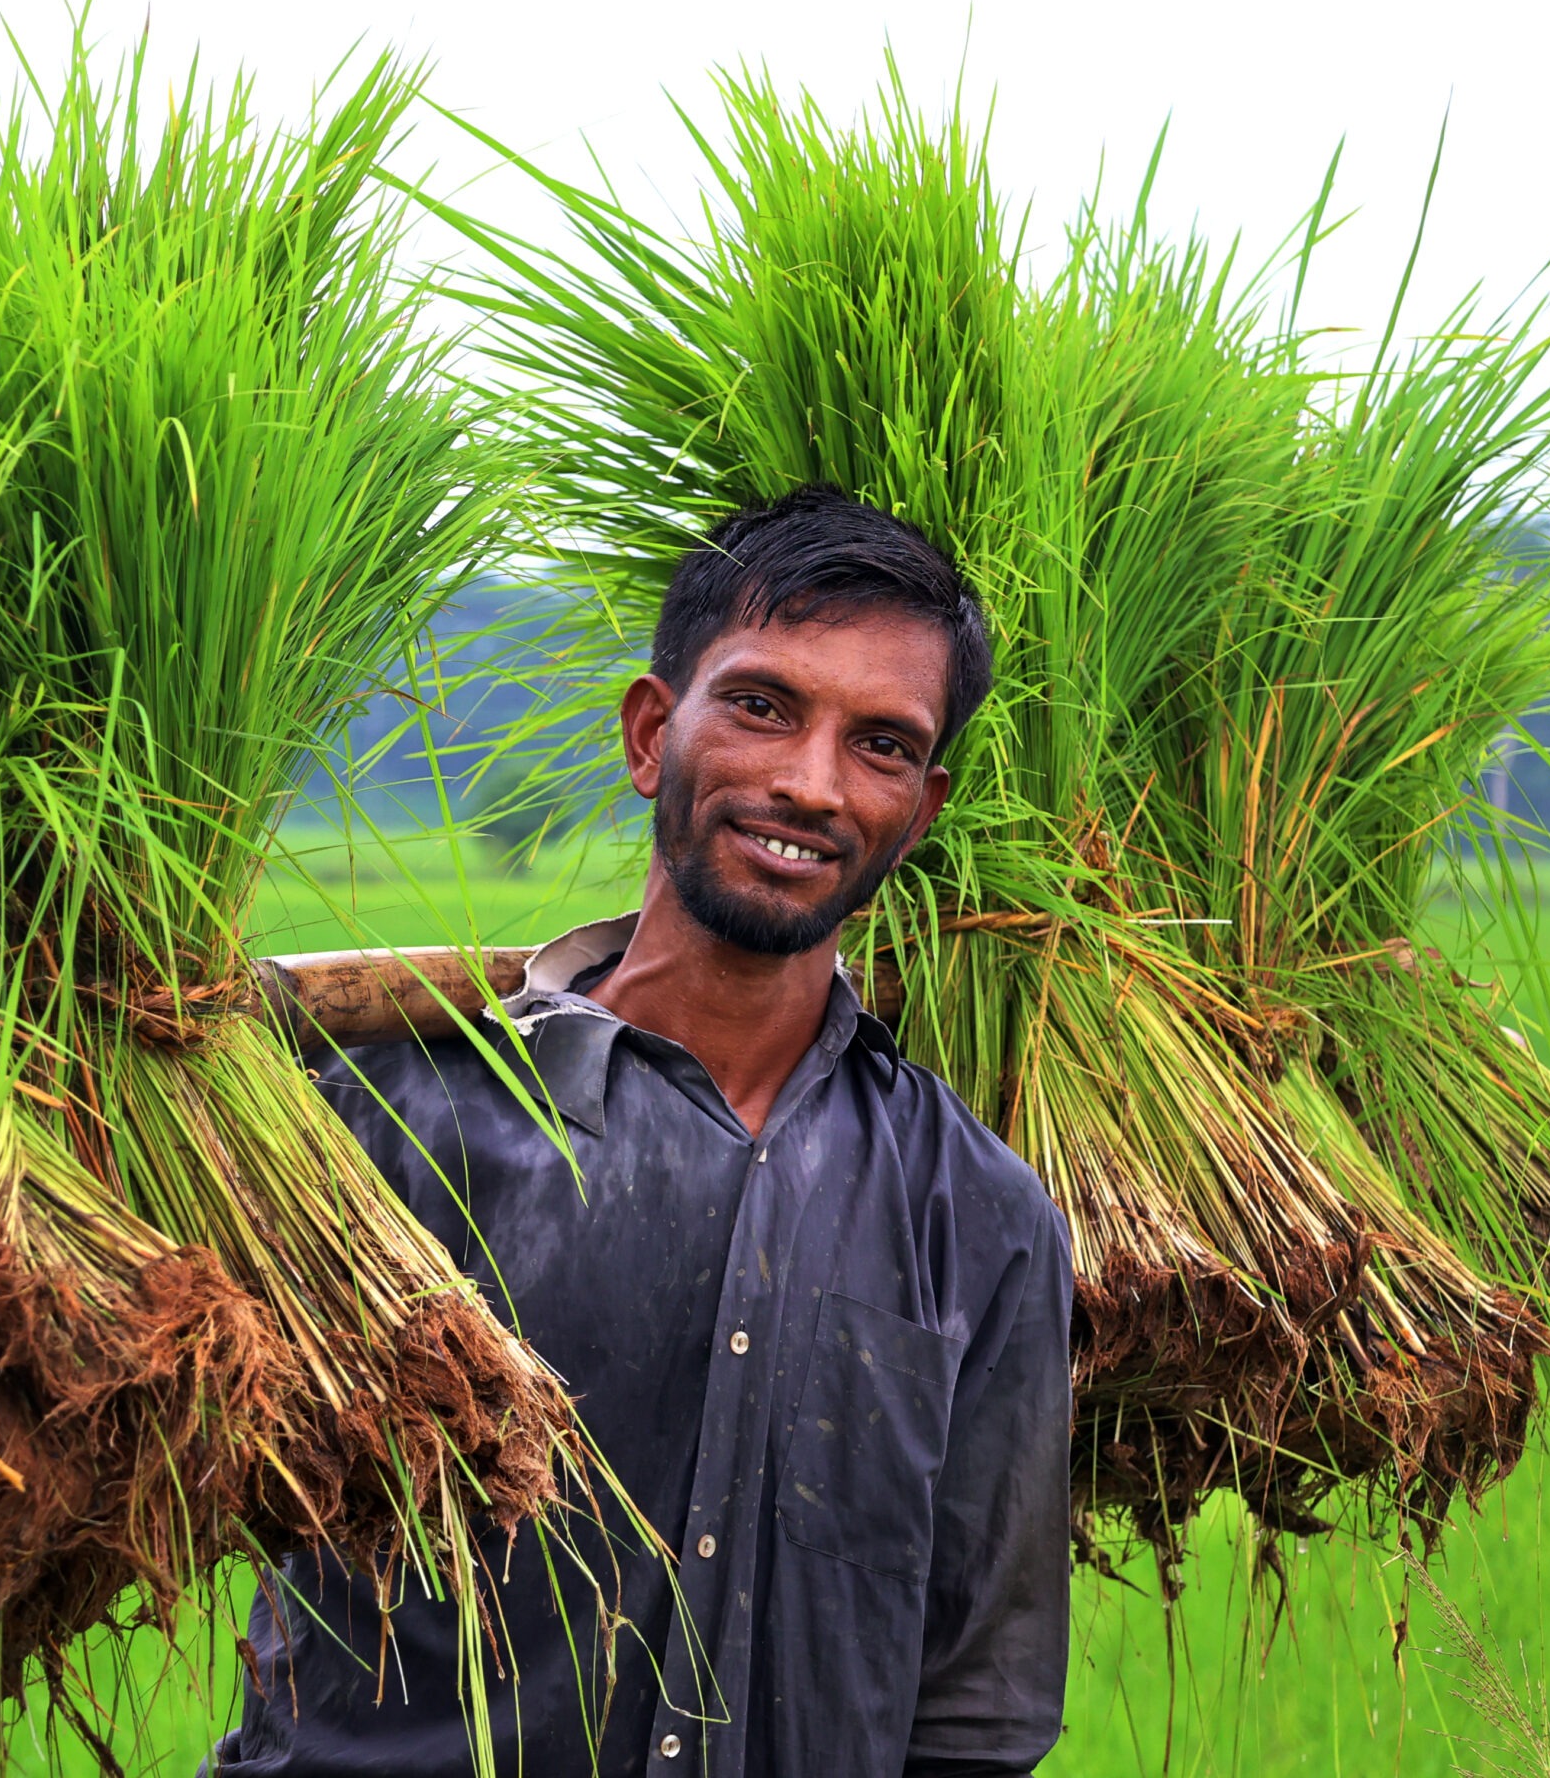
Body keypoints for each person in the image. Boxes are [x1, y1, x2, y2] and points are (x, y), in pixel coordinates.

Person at [210, 484, 1074, 1778]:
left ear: (924, 808)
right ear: (650, 732)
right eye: (763, 706)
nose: (810, 783)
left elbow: (976, 1711)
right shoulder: (377, 1127)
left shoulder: (979, 1218)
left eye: (882, 745)